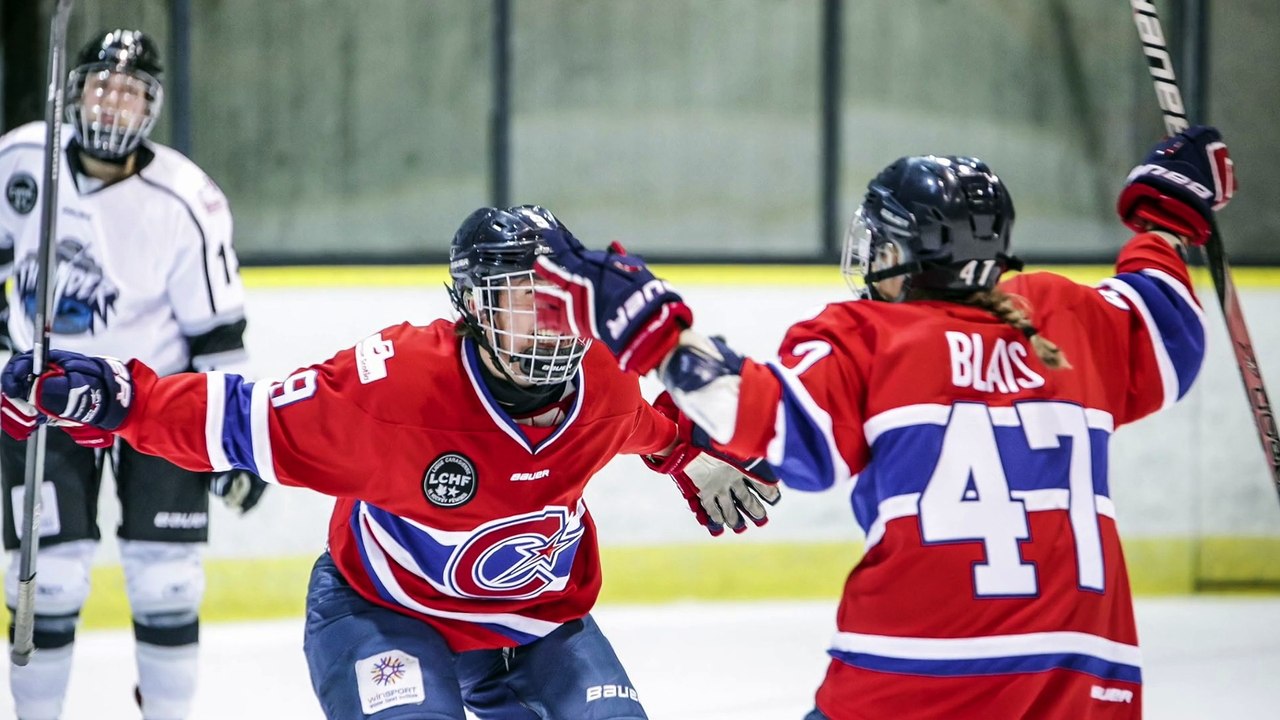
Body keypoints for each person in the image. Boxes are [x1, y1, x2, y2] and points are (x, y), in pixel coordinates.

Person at [526, 126, 1233, 718]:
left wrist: (657, 338)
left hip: (917, 673)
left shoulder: (869, 335)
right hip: (1087, 678)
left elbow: (776, 434)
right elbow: (1168, 328)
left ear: (903, 254)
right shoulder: (1066, 317)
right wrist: (1167, 219)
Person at [0, 203, 781, 719]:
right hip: (385, 613)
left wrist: (692, 457)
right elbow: (240, 417)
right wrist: (119, 400)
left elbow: (649, 423)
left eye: (560, 301)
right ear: (475, 306)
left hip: (537, 627)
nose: (548, 325)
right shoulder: (396, 386)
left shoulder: (606, 373)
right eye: (522, 301)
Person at [0, 29, 266, 720]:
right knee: (44, 581)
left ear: (150, 107)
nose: (112, 104)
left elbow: (217, 332)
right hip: (46, 399)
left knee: (168, 580)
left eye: (130, 93)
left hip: (156, 400)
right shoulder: (21, 158)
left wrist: (231, 435)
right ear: (77, 91)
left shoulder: (187, 199)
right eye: (101, 87)